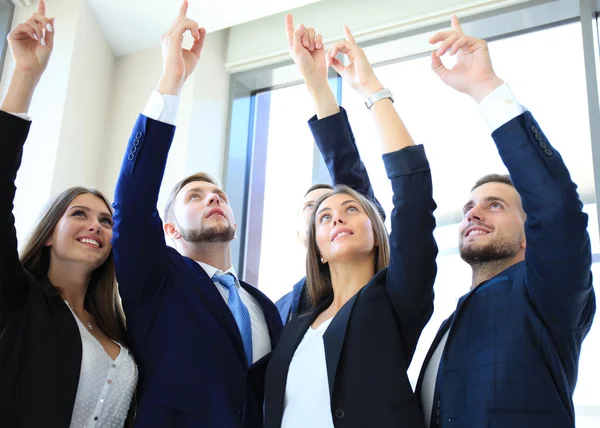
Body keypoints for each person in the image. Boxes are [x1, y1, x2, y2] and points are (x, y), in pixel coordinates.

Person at [416, 17, 596, 428]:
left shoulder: (546, 294)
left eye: (495, 205)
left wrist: (484, 88)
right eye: (468, 209)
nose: (473, 214)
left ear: (529, 236)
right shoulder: (451, 323)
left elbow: (557, 211)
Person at [111, 2, 282, 427]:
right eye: (195, 196)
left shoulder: (264, 308)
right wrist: (172, 79)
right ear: (169, 228)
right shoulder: (157, 279)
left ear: (234, 224)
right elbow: (132, 204)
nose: (212, 199)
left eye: (219, 194)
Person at [264, 22, 438, 428]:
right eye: (323, 217)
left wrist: (368, 89)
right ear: (317, 250)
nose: (337, 216)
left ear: (376, 229)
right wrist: (314, 80)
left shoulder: (396, 299)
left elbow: (410, 200)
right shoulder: (296, 320)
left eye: (351, 211)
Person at [0, 2, 137, 427]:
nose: (96, 224)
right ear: (47, 234)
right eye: (79, 214)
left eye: (105, 220)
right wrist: (24, 78)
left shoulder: (117, 328)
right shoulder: (16, 298)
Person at [275, 15, 385, 324]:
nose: (333, 215)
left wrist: (317, 83)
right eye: (316, 210)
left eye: (346, 209)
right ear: (300, 233)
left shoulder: (374, 283)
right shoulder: (275, 311)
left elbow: (346, 168)